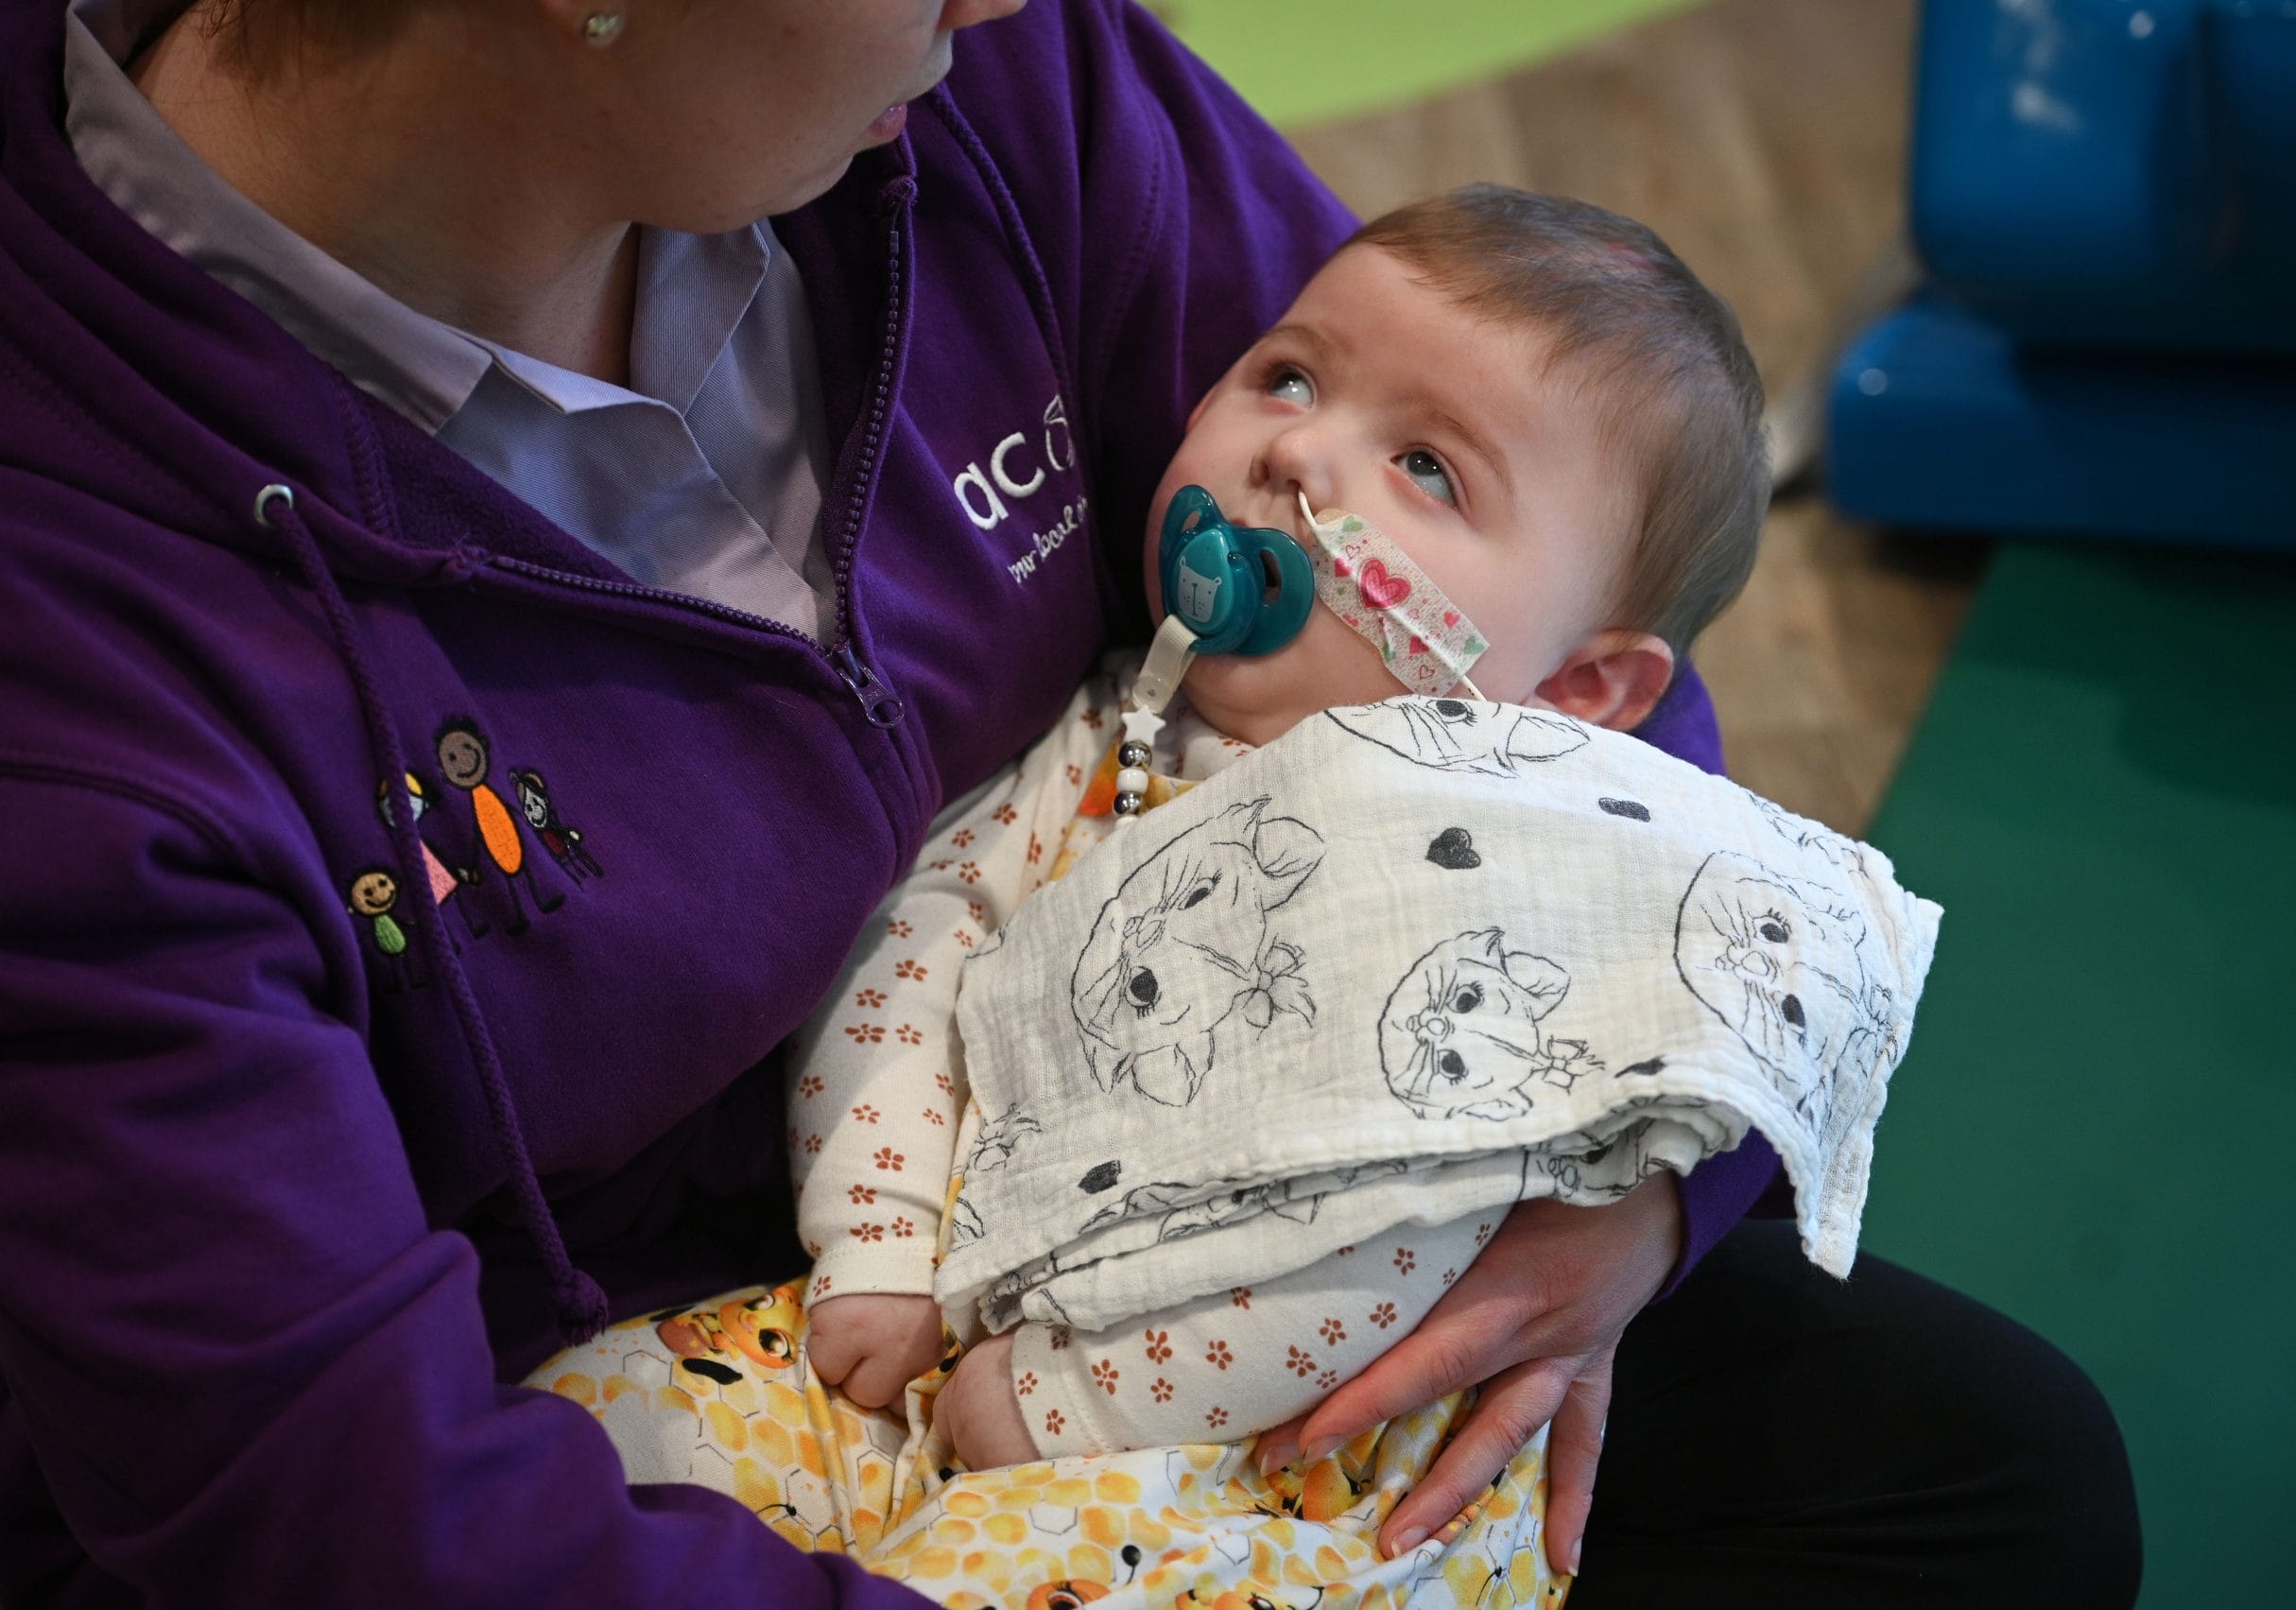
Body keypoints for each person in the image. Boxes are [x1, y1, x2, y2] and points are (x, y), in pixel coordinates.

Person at [0, 0, 2139, 1605]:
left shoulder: (976, 96)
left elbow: (1562, 640)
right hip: (662, 1435)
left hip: (1235, 1220)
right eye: (1287, 396)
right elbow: (346, 1521)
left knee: (1994, 1478)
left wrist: (1637, 1179)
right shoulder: (89, 678)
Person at [785, 187, 1804, 1478]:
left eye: (1426, 466)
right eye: (1287, 377)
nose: (1298, 456)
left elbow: (1398, 1226)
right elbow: (910, 956)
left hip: (1237, 1452)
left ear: (1575, 695)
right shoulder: (1100, 735)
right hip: (922, 1300)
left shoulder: (1474, 891)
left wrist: (1075, 1409)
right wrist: (875, 1230)